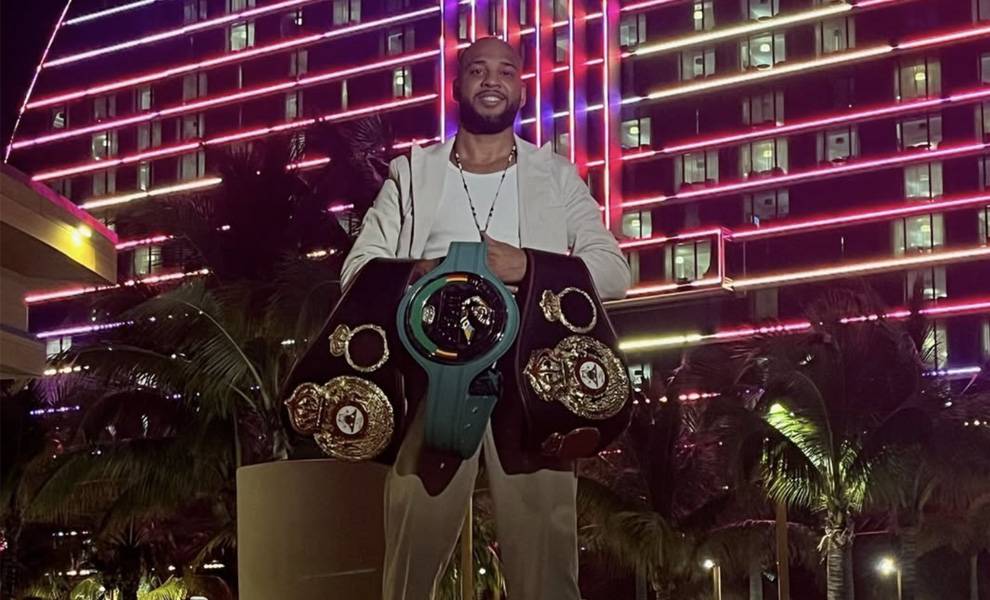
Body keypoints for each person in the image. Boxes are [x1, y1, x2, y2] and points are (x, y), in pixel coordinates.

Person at [342, 36, 631, 600]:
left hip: (534, 385)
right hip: (433, 380)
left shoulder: (554, 174)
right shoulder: (412, 173)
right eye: (477, 70)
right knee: (409, 562)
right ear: (457, 86)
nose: (491, 80)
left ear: (521, 87)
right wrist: (424, 271)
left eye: (504, 70)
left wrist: (525, 266)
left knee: (546, 569)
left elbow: (614, 272)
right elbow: (356, 270)